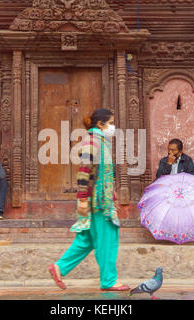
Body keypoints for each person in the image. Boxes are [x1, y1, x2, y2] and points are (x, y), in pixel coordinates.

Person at [48, 108, 130, 292]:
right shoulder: (93, 142)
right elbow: (84, 171)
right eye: (111, 122)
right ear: (100, 124)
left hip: (100, 198)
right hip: (98, 202)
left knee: (87, 240)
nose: (113, 127)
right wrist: (83, 198)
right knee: (108, 238)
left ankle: (59, 267)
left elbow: (101, 173)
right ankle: (109, 280)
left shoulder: (99, 141)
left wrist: (112, 194)